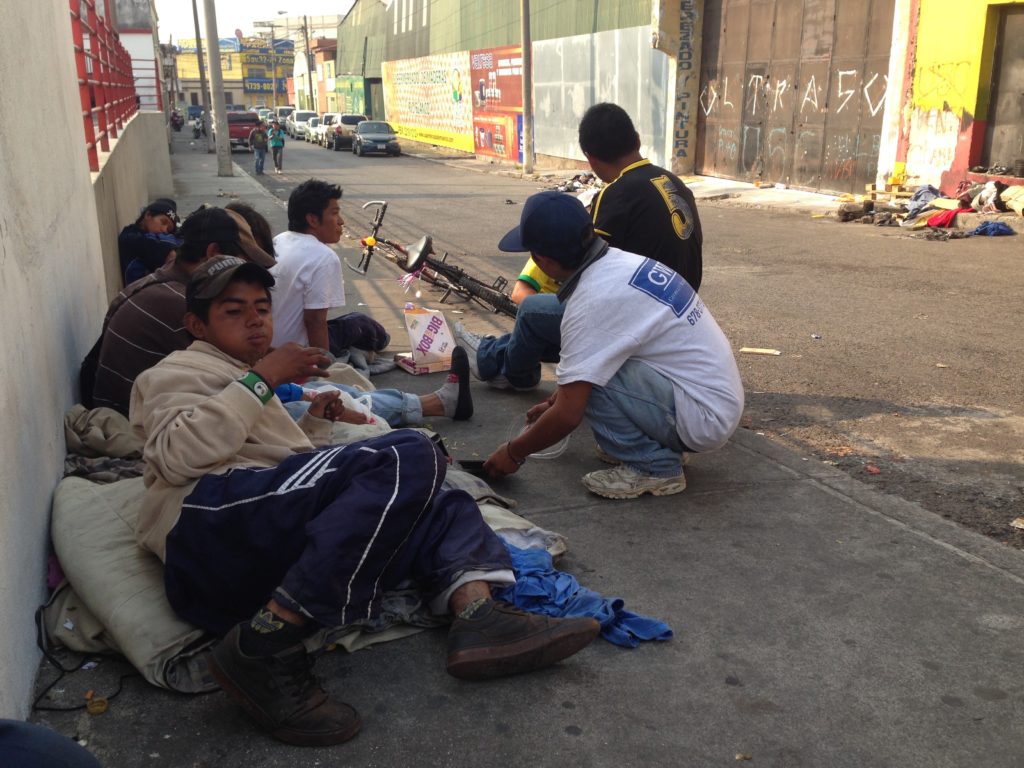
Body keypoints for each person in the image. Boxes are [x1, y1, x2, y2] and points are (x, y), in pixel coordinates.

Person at [128, 257, 599, 746]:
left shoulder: (240, 373)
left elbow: (265, 454)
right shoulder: (174, 371)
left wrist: (312, 423)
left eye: (263, 308)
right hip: (206, 532)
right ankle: (263, 642)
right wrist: (262, 379)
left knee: (433, 494)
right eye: (234, 310)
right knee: (408, 453)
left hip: (262, 531)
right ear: (195, 324)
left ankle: (478, 615)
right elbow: (179, 456)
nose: (255, 321)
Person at [481, 191, 743, 500]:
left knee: (592, 382)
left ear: (543, 261)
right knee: (590, 374)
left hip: (701, 416)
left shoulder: (591, 302)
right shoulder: (620, 263)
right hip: (709, 400)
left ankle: (655, 466)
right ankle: (663, 442)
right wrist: (556, 400)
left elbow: (569, 414)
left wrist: (513, 453)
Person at [455, 102, 703, 391]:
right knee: (547, 317)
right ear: (637, 140)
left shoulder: (616, 195)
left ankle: (502, 365)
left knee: (533, 312)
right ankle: (496, 353)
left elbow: (587, 274)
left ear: (590, 158)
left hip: (640, 319)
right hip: (678, 307)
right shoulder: (674, 182)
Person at [90, 207, 276, 415]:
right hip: (140, 429)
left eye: (261, 308)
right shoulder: (182, 304)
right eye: (234, 311)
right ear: (213, 253)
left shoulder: (163, 281)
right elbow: (238, 380)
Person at [117, 198, 181, 283]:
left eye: (169, 229)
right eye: (163, 222)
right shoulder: (130, 236)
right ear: (148, 215)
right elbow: (164, 250)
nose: (165, 229)